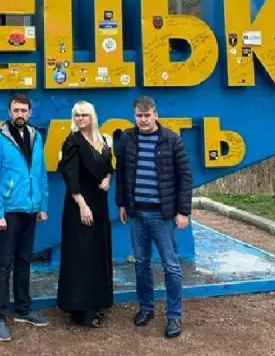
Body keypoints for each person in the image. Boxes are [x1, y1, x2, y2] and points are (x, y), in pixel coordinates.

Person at [115, 96, 193, 339]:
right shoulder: (127, 138)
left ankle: (174, 315)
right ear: (134, 116)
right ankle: (146, 308)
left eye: (147, 115)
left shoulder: (172, 139)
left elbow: (185, 177)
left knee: (171, 266)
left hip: (163, 215)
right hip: (136, 213)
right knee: (141, 263)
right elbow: (122, 173)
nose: (143, 120)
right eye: (139, 116)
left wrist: (183, 211)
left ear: (156, 115)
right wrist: (122, 204)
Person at [0, 93, 50, 342]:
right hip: (9, 211)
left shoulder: (36, 136)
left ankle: (23, 309)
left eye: (24, 110)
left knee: (24, 261)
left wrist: (42, 205)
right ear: (9, 111)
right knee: (4, 264)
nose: (20, 114)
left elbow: (40, 173)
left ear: (29, 112)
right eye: (16, 110)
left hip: (31, 210)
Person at [56, 101, 114, 328]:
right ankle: (81, 310)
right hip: (79, 206)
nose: (80, 119)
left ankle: (97, 303)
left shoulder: (103, 140)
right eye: (77, 115)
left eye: (84, 115)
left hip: (99, 204)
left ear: (92, 117)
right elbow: (70, 176)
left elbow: (108, 166)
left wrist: (108, 178)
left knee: (97, 252)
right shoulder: (72, 142)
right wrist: (81, 204)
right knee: (81, 255)